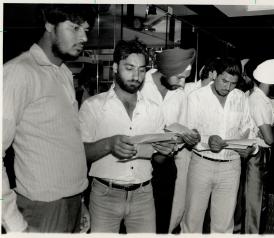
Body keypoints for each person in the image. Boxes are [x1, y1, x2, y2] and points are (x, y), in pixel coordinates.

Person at [2, 4, 96, 232]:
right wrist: (15, 224)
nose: (84, 37)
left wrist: (79, 202)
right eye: (75, 28)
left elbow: (65, 144)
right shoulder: (18, 72)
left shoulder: (63, 72)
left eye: (86, 29)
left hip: (71, 204)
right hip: (41, 209)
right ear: (49, 25)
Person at [78, 39, 175, 233]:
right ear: (115, 67)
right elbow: (78, 155)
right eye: (129, 68)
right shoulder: (94, 106)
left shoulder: (154, 110)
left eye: (141, 70)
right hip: (104, 194)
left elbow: (158, 158)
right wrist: (109, 144)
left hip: (144, 194)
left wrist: (165, 151)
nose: (136, 76)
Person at [181, 57, 258, 233]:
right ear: (214, 74)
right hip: (202, 163)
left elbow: (248, 129)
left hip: (231, 167)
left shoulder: (240, 97)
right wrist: (206, 140)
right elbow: (189, 132)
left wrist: (249, 148)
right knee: (192, 222)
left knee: (223, 226)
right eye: (224, 80)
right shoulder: (196, 97)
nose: (228, 87)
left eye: (233, 83)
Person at [141, 47, 201, 233]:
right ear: (165, 71)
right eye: (180, 77)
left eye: (186, 78)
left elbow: (181, 127)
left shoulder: (180, 95)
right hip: (138, 161)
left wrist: (188, 137)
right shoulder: (140, 84)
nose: (183, 84)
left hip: (165, 163)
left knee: (162, 218)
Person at [246, 59, 274, 233]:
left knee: (261, 200)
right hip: (257, 157)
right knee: (255, 202)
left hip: (263, 155)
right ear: (269, 82)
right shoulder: (258, 101)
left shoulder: (263, 99)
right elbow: (270, 138)